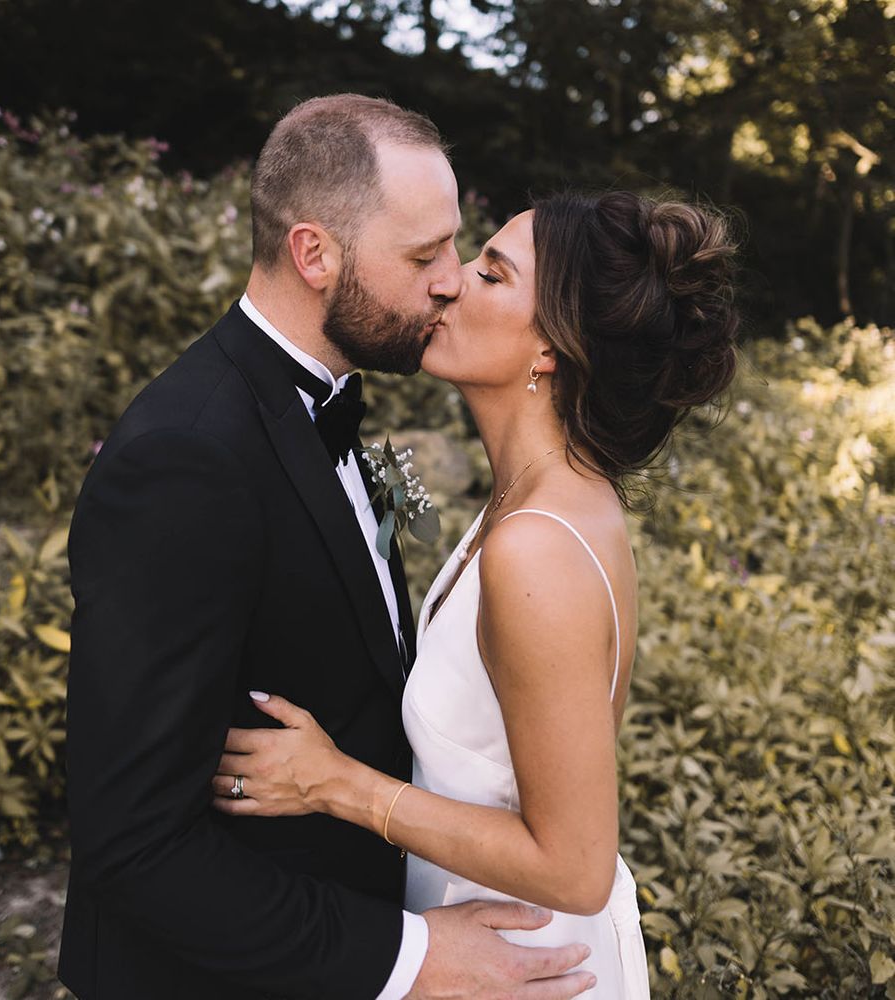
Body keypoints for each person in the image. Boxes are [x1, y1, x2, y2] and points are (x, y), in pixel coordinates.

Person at [58, 95, 597, 1000]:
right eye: (424, 256)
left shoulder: (331, 406)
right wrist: (409, 956)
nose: (452, 281)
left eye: (455, 249)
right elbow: (134, 843)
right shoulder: (184, 458)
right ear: (315, 254)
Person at [211, 190, 741, 997]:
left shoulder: (536, 548)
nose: (451, 282)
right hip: (487, 939)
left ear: (549, 351)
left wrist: (333, 783)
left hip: (522, 961)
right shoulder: (549, 498)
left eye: (492, 275)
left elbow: (575, 866)